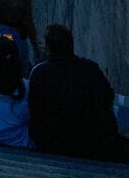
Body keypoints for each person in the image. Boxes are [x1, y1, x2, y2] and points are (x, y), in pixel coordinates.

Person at [28, 24, 123, 161]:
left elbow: (34, 109)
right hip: (91, 144)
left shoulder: (39, 73)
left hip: (53, 144)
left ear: (49, 49)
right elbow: (108, 97)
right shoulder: (91, 69)